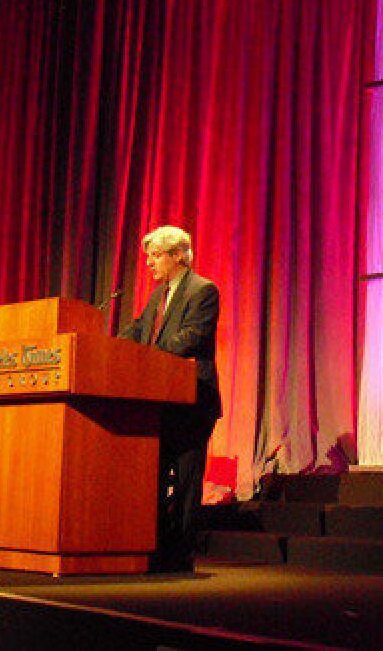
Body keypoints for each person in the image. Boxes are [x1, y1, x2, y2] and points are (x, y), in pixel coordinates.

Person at [119, 225, 221, 572]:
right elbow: (137, 330)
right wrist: (108, 347)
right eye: (148, 256)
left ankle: (180, 554)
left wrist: (149, 356)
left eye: (156, 255)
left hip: (192, 399)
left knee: (188, 480)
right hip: (159, 400)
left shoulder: (203, 291)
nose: (149, 263)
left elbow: (192, 337)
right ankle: (155, 546)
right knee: (156, 477)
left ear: (178, 255)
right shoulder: (156, 297)